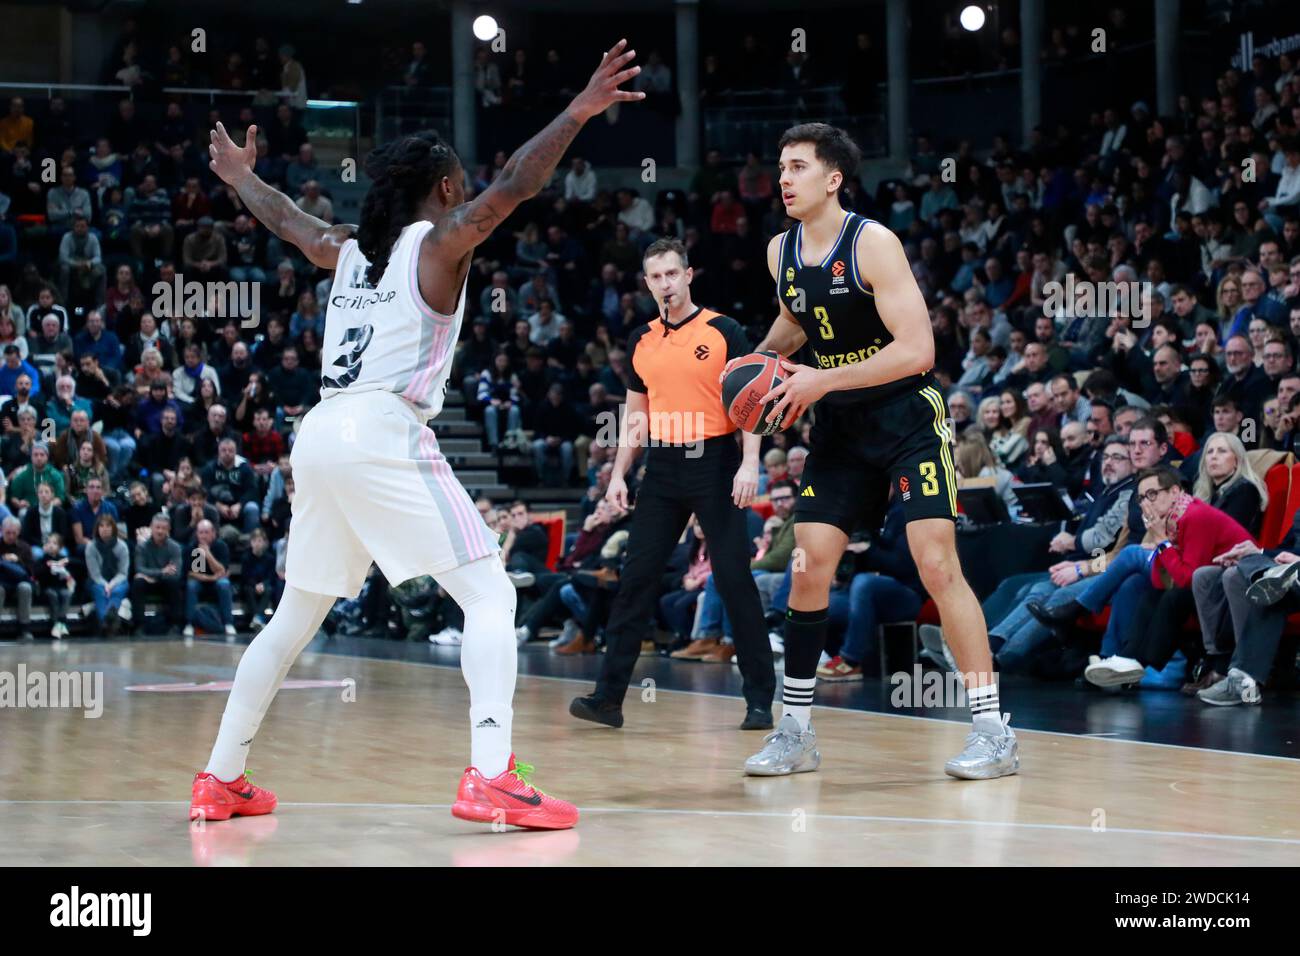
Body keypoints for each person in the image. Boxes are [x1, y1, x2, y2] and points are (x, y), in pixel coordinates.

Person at [191, 39, 643, 829]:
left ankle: (221, 777)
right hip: (380, 426)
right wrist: (577, 110)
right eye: (459, 187)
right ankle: (494, 774)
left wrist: (238, 179)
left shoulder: (346, 251)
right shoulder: (435, 247)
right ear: (443, 187)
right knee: (490, 591)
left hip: (322, 433)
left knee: (294, 617)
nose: (469, 196)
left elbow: (287, 217)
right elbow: (515, 187)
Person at [740, 122, 1017, 780]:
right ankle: (796, 733)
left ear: (833, 179)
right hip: (840, 427)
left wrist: (822, 377)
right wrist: (755, 361)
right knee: (807, 566)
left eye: (799, 166)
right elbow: (798, 322)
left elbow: (918, 351)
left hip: (906, 418)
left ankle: (992, 731)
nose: (784, 177)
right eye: (782, 166)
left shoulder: (873, 243)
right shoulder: (780, 251)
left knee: (936, 562)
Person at [568, 237, 776, 729]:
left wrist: (750, 464)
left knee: (733, 578)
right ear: (647, 283)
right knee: (634, 579)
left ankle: (760, 701)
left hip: (717, 462)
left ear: (688, 275)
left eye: (672, 274)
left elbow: (752, 401)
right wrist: (618, 475)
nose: (665, 283)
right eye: (655, 276)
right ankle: (609, 699)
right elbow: (634, 419)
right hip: (661, 468)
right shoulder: (641, 340)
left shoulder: (724, 329)